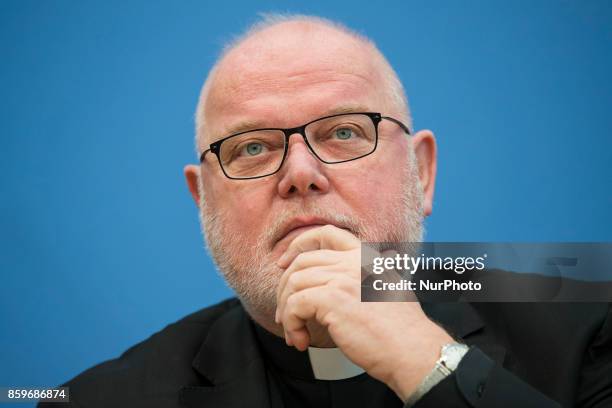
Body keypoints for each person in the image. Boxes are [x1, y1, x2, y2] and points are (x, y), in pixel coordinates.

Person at [40, 14, 612, 408]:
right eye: (253, 148)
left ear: (422, 173)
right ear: (203, 201)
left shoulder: (591, 324)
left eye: (343, 132)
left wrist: (432, 363)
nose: (300, 175)